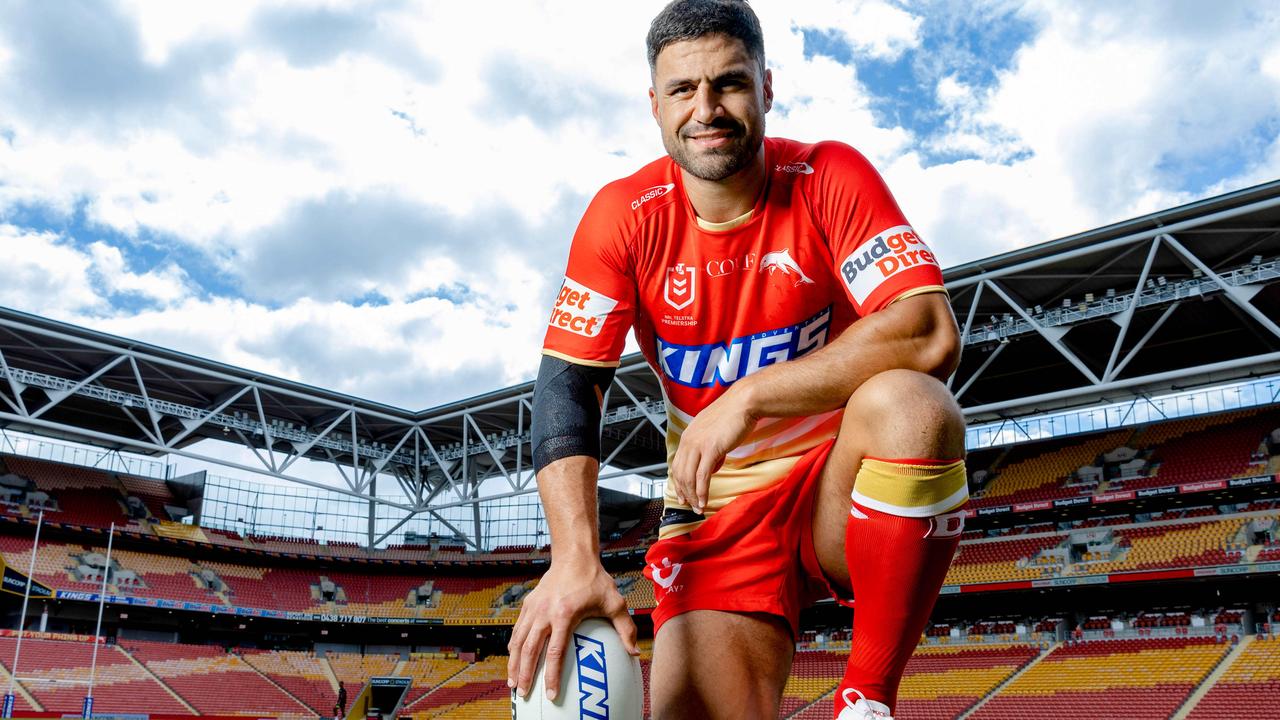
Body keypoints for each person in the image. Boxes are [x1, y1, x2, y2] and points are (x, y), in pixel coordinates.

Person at [508, 1, 967, 718]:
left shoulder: (828, 175)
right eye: (684, 90)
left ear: (766, 88)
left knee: (913, 407)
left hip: (836, 486)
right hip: (716, 508)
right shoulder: (623, 217)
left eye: (729, 83)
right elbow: (569, 387)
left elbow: (929, 331)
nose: (708, 108)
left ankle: (867, 698)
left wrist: (748, 397)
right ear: (654, 105)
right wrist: (574, 557)